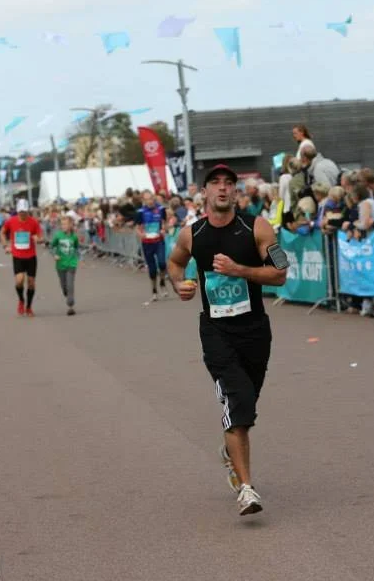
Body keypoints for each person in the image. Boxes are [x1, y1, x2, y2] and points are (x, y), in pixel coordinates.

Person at [167, 164, 287, 517]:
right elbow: (175, 264)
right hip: (216, 331)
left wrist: (240, 270)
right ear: (204, 192)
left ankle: (230, 452)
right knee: (238, 402)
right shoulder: (192, 234)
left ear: (236, 192)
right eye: (215, 183)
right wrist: (179, 285)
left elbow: (280, 274)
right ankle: (247, 488)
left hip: (254, 330)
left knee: (245, 408)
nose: (222, 188)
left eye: (229, 183)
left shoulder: (257, 227)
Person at [1, 199, 44, 317]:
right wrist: (5, 245)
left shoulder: (33, 222)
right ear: (17, 211)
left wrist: (38, 239)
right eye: (20, 212)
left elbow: (41, 237)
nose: (22, 214)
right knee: (19, 281)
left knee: (31, 283)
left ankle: (29, 307)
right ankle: (21, 300)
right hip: (18, 256)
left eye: (24, 212)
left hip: (31, 256)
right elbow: (2, 232)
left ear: (27, 211)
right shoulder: (11, 221)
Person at [134, 190, 169, 301]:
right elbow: (137, 228)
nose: (150, 201)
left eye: (151, 198)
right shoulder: (140, 212)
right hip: (147, 243)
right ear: (144, 200)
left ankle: (162, 282)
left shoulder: (161, 209)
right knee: (152, 269)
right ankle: (154, 290)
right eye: (147, 199)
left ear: (154, 198)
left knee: (162, 263)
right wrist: (141, 234)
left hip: (159, 240)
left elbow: (164, 223)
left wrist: (164, 229)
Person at [50, 215, 79, 316]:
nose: (64, 226)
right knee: (64, 286)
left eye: (66, 224)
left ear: (71, 225)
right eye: (62, 224)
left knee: (70, 285)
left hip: (72, 263)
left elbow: (76, 247)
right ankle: (67, 294)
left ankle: (70, 305)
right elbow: (51, 246)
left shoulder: (74, 237)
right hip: (60, 264)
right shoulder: (58, 235)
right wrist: (55, 254)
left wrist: (80, 259)